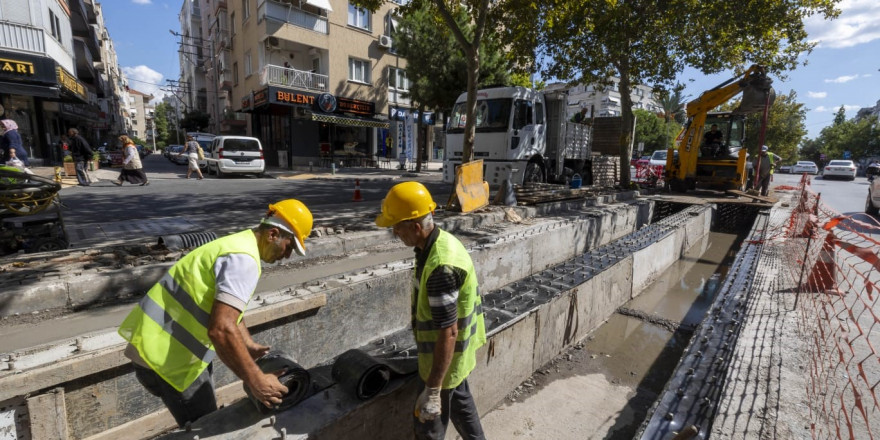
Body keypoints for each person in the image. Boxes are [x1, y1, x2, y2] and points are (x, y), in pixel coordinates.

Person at [118, 199, 314, 427]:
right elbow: (221, 329)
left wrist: (247, 343)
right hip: (167, 360)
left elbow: (222, 307)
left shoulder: (238, 244)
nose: (287, 255)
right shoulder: (244, 261)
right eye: (289, 247)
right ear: (272, 235)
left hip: (162, 348)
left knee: (207, 417)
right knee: (208, 426)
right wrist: (256, 380)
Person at [374, 182, 487, 440]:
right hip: (456, 356)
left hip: (443, 360)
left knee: (427, 428)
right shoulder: (436, 244)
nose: (394, 233)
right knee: (460, 404)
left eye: (397, 227)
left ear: (415, 227)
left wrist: (433, 389)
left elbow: (448, 332)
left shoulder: (440, 268)